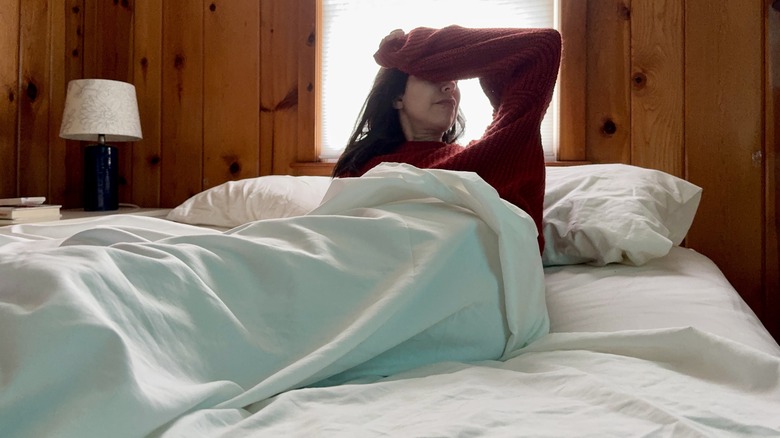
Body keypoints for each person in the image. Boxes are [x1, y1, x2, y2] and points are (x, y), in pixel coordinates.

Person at [331, 26, 562, 253]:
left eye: (455, 79)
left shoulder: (491, 154)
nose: (450, 85)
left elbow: (543, 44)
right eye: (433, 74)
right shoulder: (361, 165)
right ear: (397, 97)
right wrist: (413, 53)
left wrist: (409, 50)